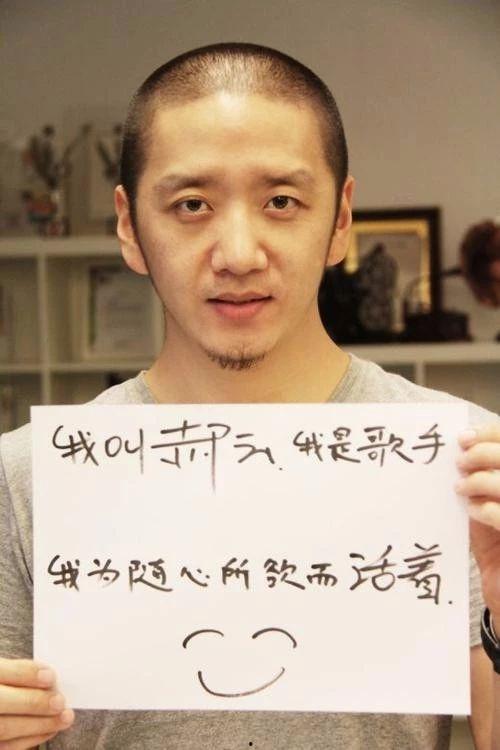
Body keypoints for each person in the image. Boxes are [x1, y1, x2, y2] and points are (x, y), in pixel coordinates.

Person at [1, 42, 499, 750]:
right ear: (128, 225)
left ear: (341, 219)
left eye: (281, 202)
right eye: (192, 204)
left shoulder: (467, 462)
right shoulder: (23, 479)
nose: (238, 254)